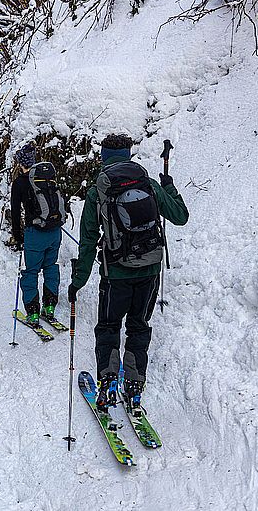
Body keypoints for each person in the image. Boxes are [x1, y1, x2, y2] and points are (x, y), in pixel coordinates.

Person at [67, 133, 188, 411]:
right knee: (138, 326)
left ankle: (108, 381)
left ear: (103, 157)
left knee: (109, 326)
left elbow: (87, 241)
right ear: (129, 154)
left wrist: (78, 282)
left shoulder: (97, 192)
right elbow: (180, 216)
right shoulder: (149, 185)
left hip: (115, 275)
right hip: (149, 272)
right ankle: (134, 384)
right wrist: (169, 188)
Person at [10, 143, 66, 327]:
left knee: (31, 271)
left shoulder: (19, 183)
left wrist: (18, 237)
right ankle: (49, 308)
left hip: (35, 234)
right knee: (50, 266)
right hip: (54, 231)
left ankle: (33, 313)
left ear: (20, 162)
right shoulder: (47, 179)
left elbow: (16, 212)